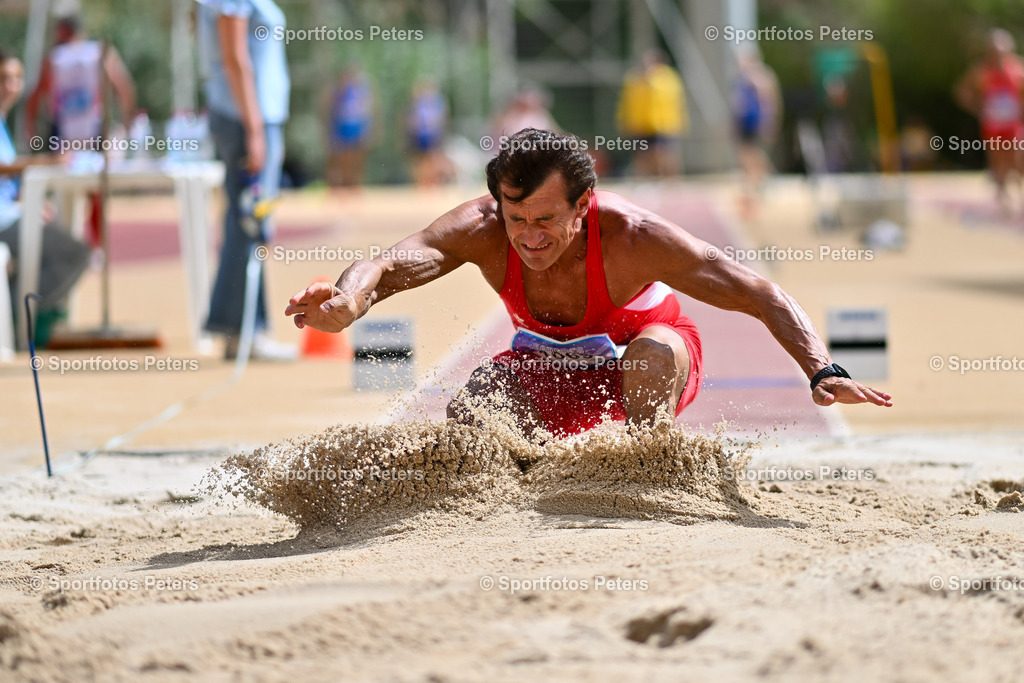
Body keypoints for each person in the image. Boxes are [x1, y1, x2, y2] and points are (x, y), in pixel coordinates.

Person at [286, 129, 891, 440]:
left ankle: (648, 470)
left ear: (583, 205)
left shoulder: (635, 236)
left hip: (646, 364)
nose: (529, 238)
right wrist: (349, 301)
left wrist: (823, 370)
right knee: (474, 406)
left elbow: (759, 292)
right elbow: (391, 264)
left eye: (546, 220)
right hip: (551, 371)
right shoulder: (484, 227)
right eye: (517, 219)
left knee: (651, 356)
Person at [196, 0, 295, 361]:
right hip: (247, 119)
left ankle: (241, 329)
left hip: (252, 117)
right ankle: (245, 331)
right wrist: (255, 129)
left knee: (247, 222)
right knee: (250, 222)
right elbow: (234, 56)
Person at [0, 50, 89, 344]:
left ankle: (25, 314)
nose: (11, 86)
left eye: (16, 78)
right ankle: (19, 317)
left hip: (9, 214)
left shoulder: (3, 122)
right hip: (3, 222)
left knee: (54, 247)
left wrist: (27, 202)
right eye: (3, 78)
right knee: (74, 253)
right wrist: (46, 161)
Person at [956, 28, 1024, 215]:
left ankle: (1018, 197)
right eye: (993, 51)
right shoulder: (981, 70)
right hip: (993, 124)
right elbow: (962, 91)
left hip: (1013, 123)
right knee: (998, 161)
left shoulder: (1017, 68)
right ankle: (1004, 199)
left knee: (1018, 158)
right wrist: (978, 109)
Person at [617, 51, 689, 176]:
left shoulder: (667, 78)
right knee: (643, 156)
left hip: (664, 124)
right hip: (642, 125)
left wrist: (649, 80)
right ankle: (647, 181)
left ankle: (671, 180)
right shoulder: (634, 79)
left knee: (665, 155)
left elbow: (671, 100)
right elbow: (627, 102)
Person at [733, 45, 781, 214]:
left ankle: (761, 181)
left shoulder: (759, 77)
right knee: (749, 154)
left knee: (750, 154)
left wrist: (769, 121)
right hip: (747, 121)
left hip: (754, 121)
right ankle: (755, 184)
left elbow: (768, 100)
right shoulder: (746, 78)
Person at [323, 65, 374, 189]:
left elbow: (366, 110)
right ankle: (341, 185)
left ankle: (354, 185)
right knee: (341, 159)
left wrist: (367, 130)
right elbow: (329, 108)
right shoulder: (338, 92)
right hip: (341, 128)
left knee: (356, 159)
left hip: (356, 128)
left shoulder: (361, 92)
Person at [406, 78, 451, 187]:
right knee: (421, 160)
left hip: (433, 135)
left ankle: (432, 182)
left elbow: (442, 119)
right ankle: (422, 182)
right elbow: (413, 120)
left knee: (433, 158)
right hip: (420, 136)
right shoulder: (417, 103)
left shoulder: (438, 103)